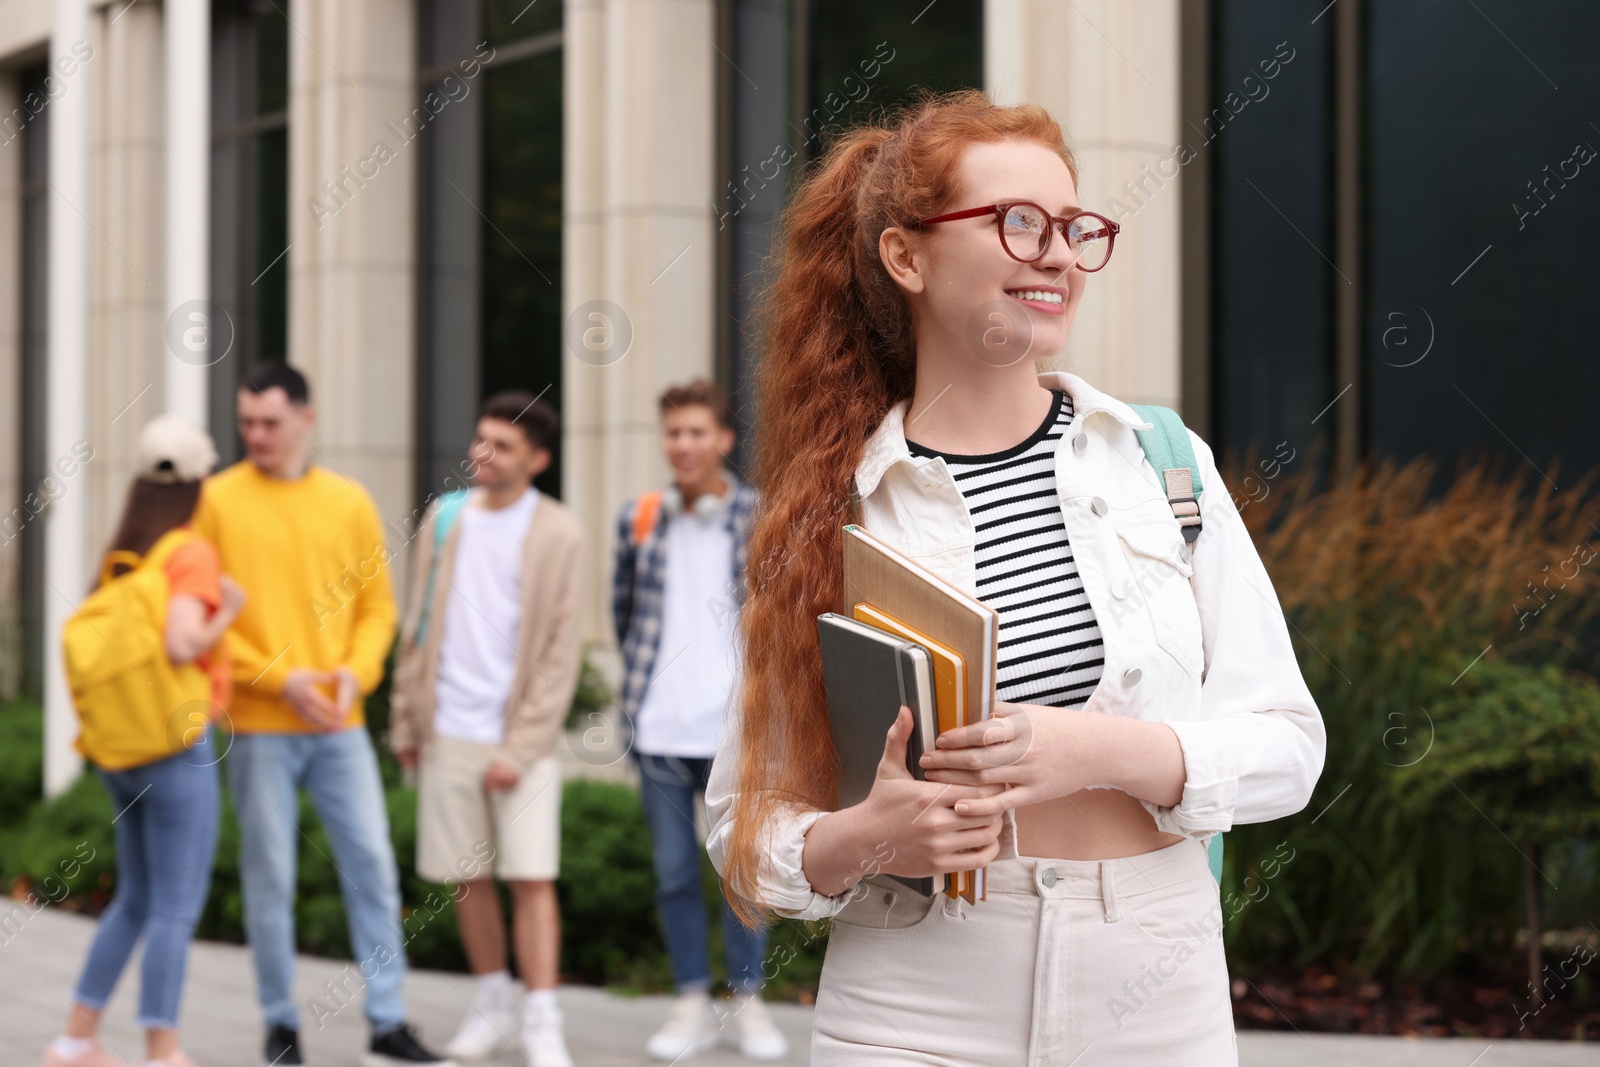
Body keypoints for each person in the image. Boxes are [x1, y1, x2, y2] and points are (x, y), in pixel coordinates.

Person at [705, 89, 1326, 1065]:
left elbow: (1288, 746)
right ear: (905, 256)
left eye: (1075, 227)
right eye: (1015, 221)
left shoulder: (1162, 463)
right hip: (909, 1000)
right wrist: (865, 836)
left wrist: (1099, 746)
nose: (1056, 252)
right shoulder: (829, 511)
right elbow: (743, 825)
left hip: (1153, 986)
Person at [193, 362, 453, 1067]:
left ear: (307, 419)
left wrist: (351, 675)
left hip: (338, 725)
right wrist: (281, 677)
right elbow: (204, 613)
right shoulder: (216, 500)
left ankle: (387, 1019)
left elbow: (377, 612)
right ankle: (280, 1022)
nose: (257, 435)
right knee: (269, 873)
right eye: (246, 421)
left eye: (270, 422)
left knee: (371, 863)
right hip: (258, 727)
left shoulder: (349, 502)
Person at [390, 392, 587, 1067]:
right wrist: (406, 722)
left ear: (537, 460)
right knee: (465, 876)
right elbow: (414, 626)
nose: (483, 453)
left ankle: (541, 1015)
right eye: (480, 439)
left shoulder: (559, 531)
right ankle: (492, 1001)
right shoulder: (445, 521)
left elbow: (561, 654)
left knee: (532, 875)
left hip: (519, 739)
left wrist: (520, 748)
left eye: (501, 445)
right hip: (448, 727)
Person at [45, 416, 242, 1067]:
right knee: (175, 908)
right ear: (199, 481)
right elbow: (184, 639)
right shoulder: (189, 552)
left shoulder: (127, 547)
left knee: (136, 897)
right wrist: (229, 612)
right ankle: (163, 1049)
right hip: (175, 748)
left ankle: (76, 1038)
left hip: (120, 753)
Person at [612, 381, 787, 1061]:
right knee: (674, 874)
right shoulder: (641, 518)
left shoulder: (758, 514)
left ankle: (747, 1001)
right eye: (672, 432)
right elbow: (624, 615)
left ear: (722, 439)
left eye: (695, 432)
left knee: (741, 873)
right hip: (657, 730)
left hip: (733, 733)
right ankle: (689, 999)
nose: (682, 445)